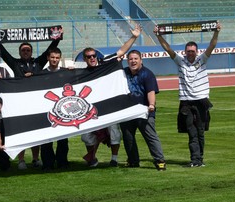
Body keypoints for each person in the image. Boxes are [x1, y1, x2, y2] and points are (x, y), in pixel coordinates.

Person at [0, 29, 63, 169]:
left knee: (36, 133)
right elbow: (4, 54)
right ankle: (22, 160)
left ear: (31, 51)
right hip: (21, 104)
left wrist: (57, 36)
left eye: (28, 50)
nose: (25, 52)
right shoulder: (15, 64)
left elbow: (50, 49)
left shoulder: (38, 63)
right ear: (19, 52)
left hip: (36, 103)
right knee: (22, 132)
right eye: (23, 50)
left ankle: (35, 159)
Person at [154, 22, 221, 167]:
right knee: (191, 132)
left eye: (192, 51)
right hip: (186, 102)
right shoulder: (180, 62)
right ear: (185, 52)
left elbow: (212, 45)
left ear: (196, 52)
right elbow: (168, 49)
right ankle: (194, 160)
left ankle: (200, 159)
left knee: (200, 132)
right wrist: (158, 36)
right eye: (188, 51)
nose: (190, 53)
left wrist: (216, 32)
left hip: (202, 101)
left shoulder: (202, 59)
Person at [81, 24, 142, 167]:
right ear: (84, 59)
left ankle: (114, 159)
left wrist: (134, 37)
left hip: (109, 106)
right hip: (91, 110)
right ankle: (92, 158)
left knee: (114, 132)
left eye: (93, 55)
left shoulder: (105, 63)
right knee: (86, 136)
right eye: (88, 57)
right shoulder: (82, 73)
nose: (92, 58)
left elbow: (121, 51)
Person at [120, 50, 166, 171]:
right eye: (130, 59)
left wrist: (151, 105)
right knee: (128, 136)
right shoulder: (123, 73)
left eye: (135, 59)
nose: (133, 61)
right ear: (127, 61)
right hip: (128, 111)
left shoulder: (147, 74)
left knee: (150, 136)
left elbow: (151, 92)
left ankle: (160, 161)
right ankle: (133, 161)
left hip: (144, 111)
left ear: (141, 60)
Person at [38, 47, 69, 171]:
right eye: (52, 57)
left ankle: (62, 162)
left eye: (57, 58)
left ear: (60, 58)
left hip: (62, 111)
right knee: (46, 139)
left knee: (63, 139)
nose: (54, 60)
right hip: (47, 111)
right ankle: (48, 164)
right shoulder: (41, 74)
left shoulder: (66, 72)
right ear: (48, 58)